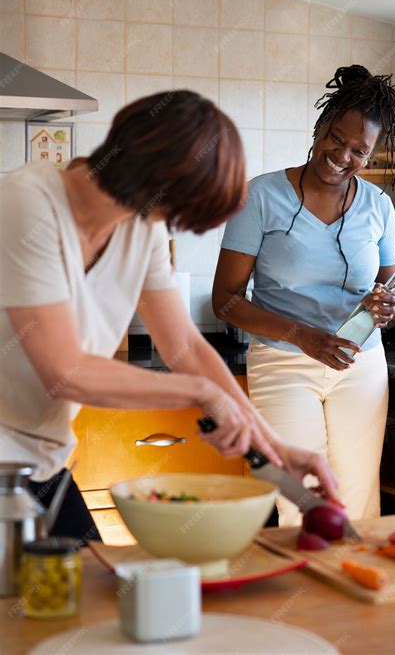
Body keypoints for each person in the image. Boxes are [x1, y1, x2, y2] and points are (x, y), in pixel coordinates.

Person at [0, 90, 339, 543]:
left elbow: (185, 346)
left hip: (38, 461)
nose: (172, 223)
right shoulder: (26, 204)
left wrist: (275, 451)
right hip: (8, 460)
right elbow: (65, 371)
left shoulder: (142, 225)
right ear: (152, 178)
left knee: (88, 597)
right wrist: (198, 393)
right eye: (178, 210)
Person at [212, 65, 395, 525]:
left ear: (371, 155)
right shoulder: (260, 196)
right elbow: (226, 299)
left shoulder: (377, 205)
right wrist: (303, 336)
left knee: (358, 500)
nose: (342, 155)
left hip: (361, 364)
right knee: (304, 498)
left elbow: (390, 291)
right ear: (319, 129)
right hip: (283, 363)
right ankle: (305, 594)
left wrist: (391, 306)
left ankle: (358, 592)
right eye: (336, 139)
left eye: (359, 150)